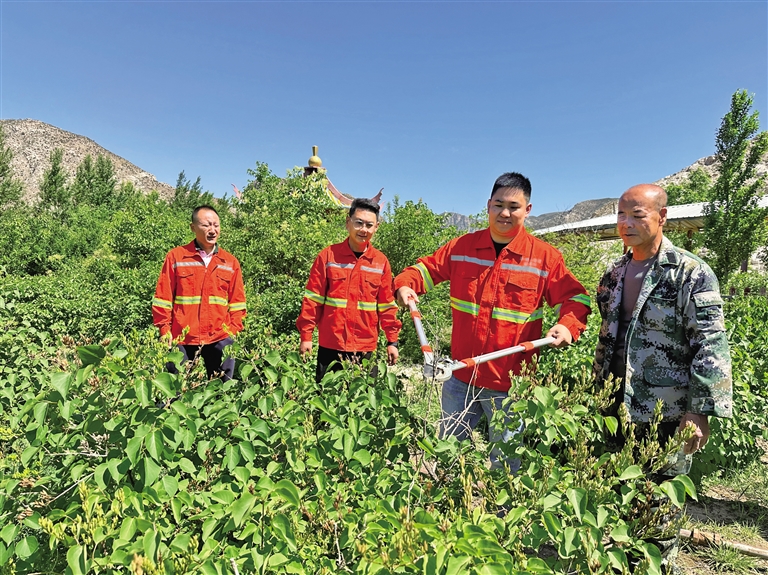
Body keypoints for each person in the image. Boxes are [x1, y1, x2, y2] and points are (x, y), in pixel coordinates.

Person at [395, 172, 591, 470]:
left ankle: (500, 501)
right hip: (460, 375)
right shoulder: (462, 248)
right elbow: (424, 270)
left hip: (510, 385)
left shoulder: (544, 258)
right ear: (488, 205)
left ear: (528, 210)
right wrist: (405, 284)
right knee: (449, 457)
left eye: (514, 206)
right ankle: (451, 497)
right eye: (499, 205)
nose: (505, 213)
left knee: (506, 465)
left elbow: (576, 298)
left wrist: (567, 325)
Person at [593, 184, 732, 572]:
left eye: (637, 215)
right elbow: (609, 338)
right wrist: (596, 395)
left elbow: (710, 343)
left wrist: (699, 410)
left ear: (662, 217)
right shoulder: (614, 274)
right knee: (620, 498)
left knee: (660, 511)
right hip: (616, 407)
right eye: (621, 215)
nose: (626, 223)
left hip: (666, 413)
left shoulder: (690, 273)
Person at [297, 197, 402, 382]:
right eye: (358, 223)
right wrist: (306, 336)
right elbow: (312, 300)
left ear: (376, 227)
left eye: (369, 225)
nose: (363, 229)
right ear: (348, 223)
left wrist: (392, 341)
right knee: (327, 397)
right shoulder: (328, 256)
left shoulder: (381, 262)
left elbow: (387, 306)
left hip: (365, 347)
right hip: (331, 345)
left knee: (363, 398)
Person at [152, 205, 247, 382]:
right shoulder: (176, 257)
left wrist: (233, 331)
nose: (212, 230)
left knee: (223, 389)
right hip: (182, 337)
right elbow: (163, 298)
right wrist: (164, 330)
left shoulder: (230, 262)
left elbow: (238, 302)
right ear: (193, 227)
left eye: (216, 225)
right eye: (206, 225)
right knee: (175, 389)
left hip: (220, 337)